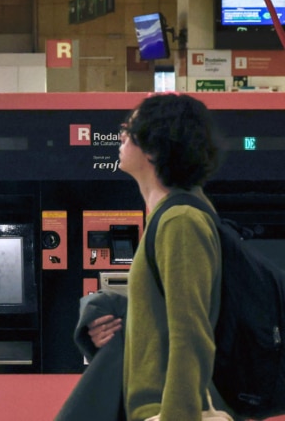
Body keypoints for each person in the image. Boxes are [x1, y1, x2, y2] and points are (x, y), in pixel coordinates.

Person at [94, 93, 237, 421]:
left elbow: (191, 334)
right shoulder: (172, 214)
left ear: (154, 148)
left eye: (128, 130)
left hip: (169, 412)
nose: (120, 137)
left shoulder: (181, 220)